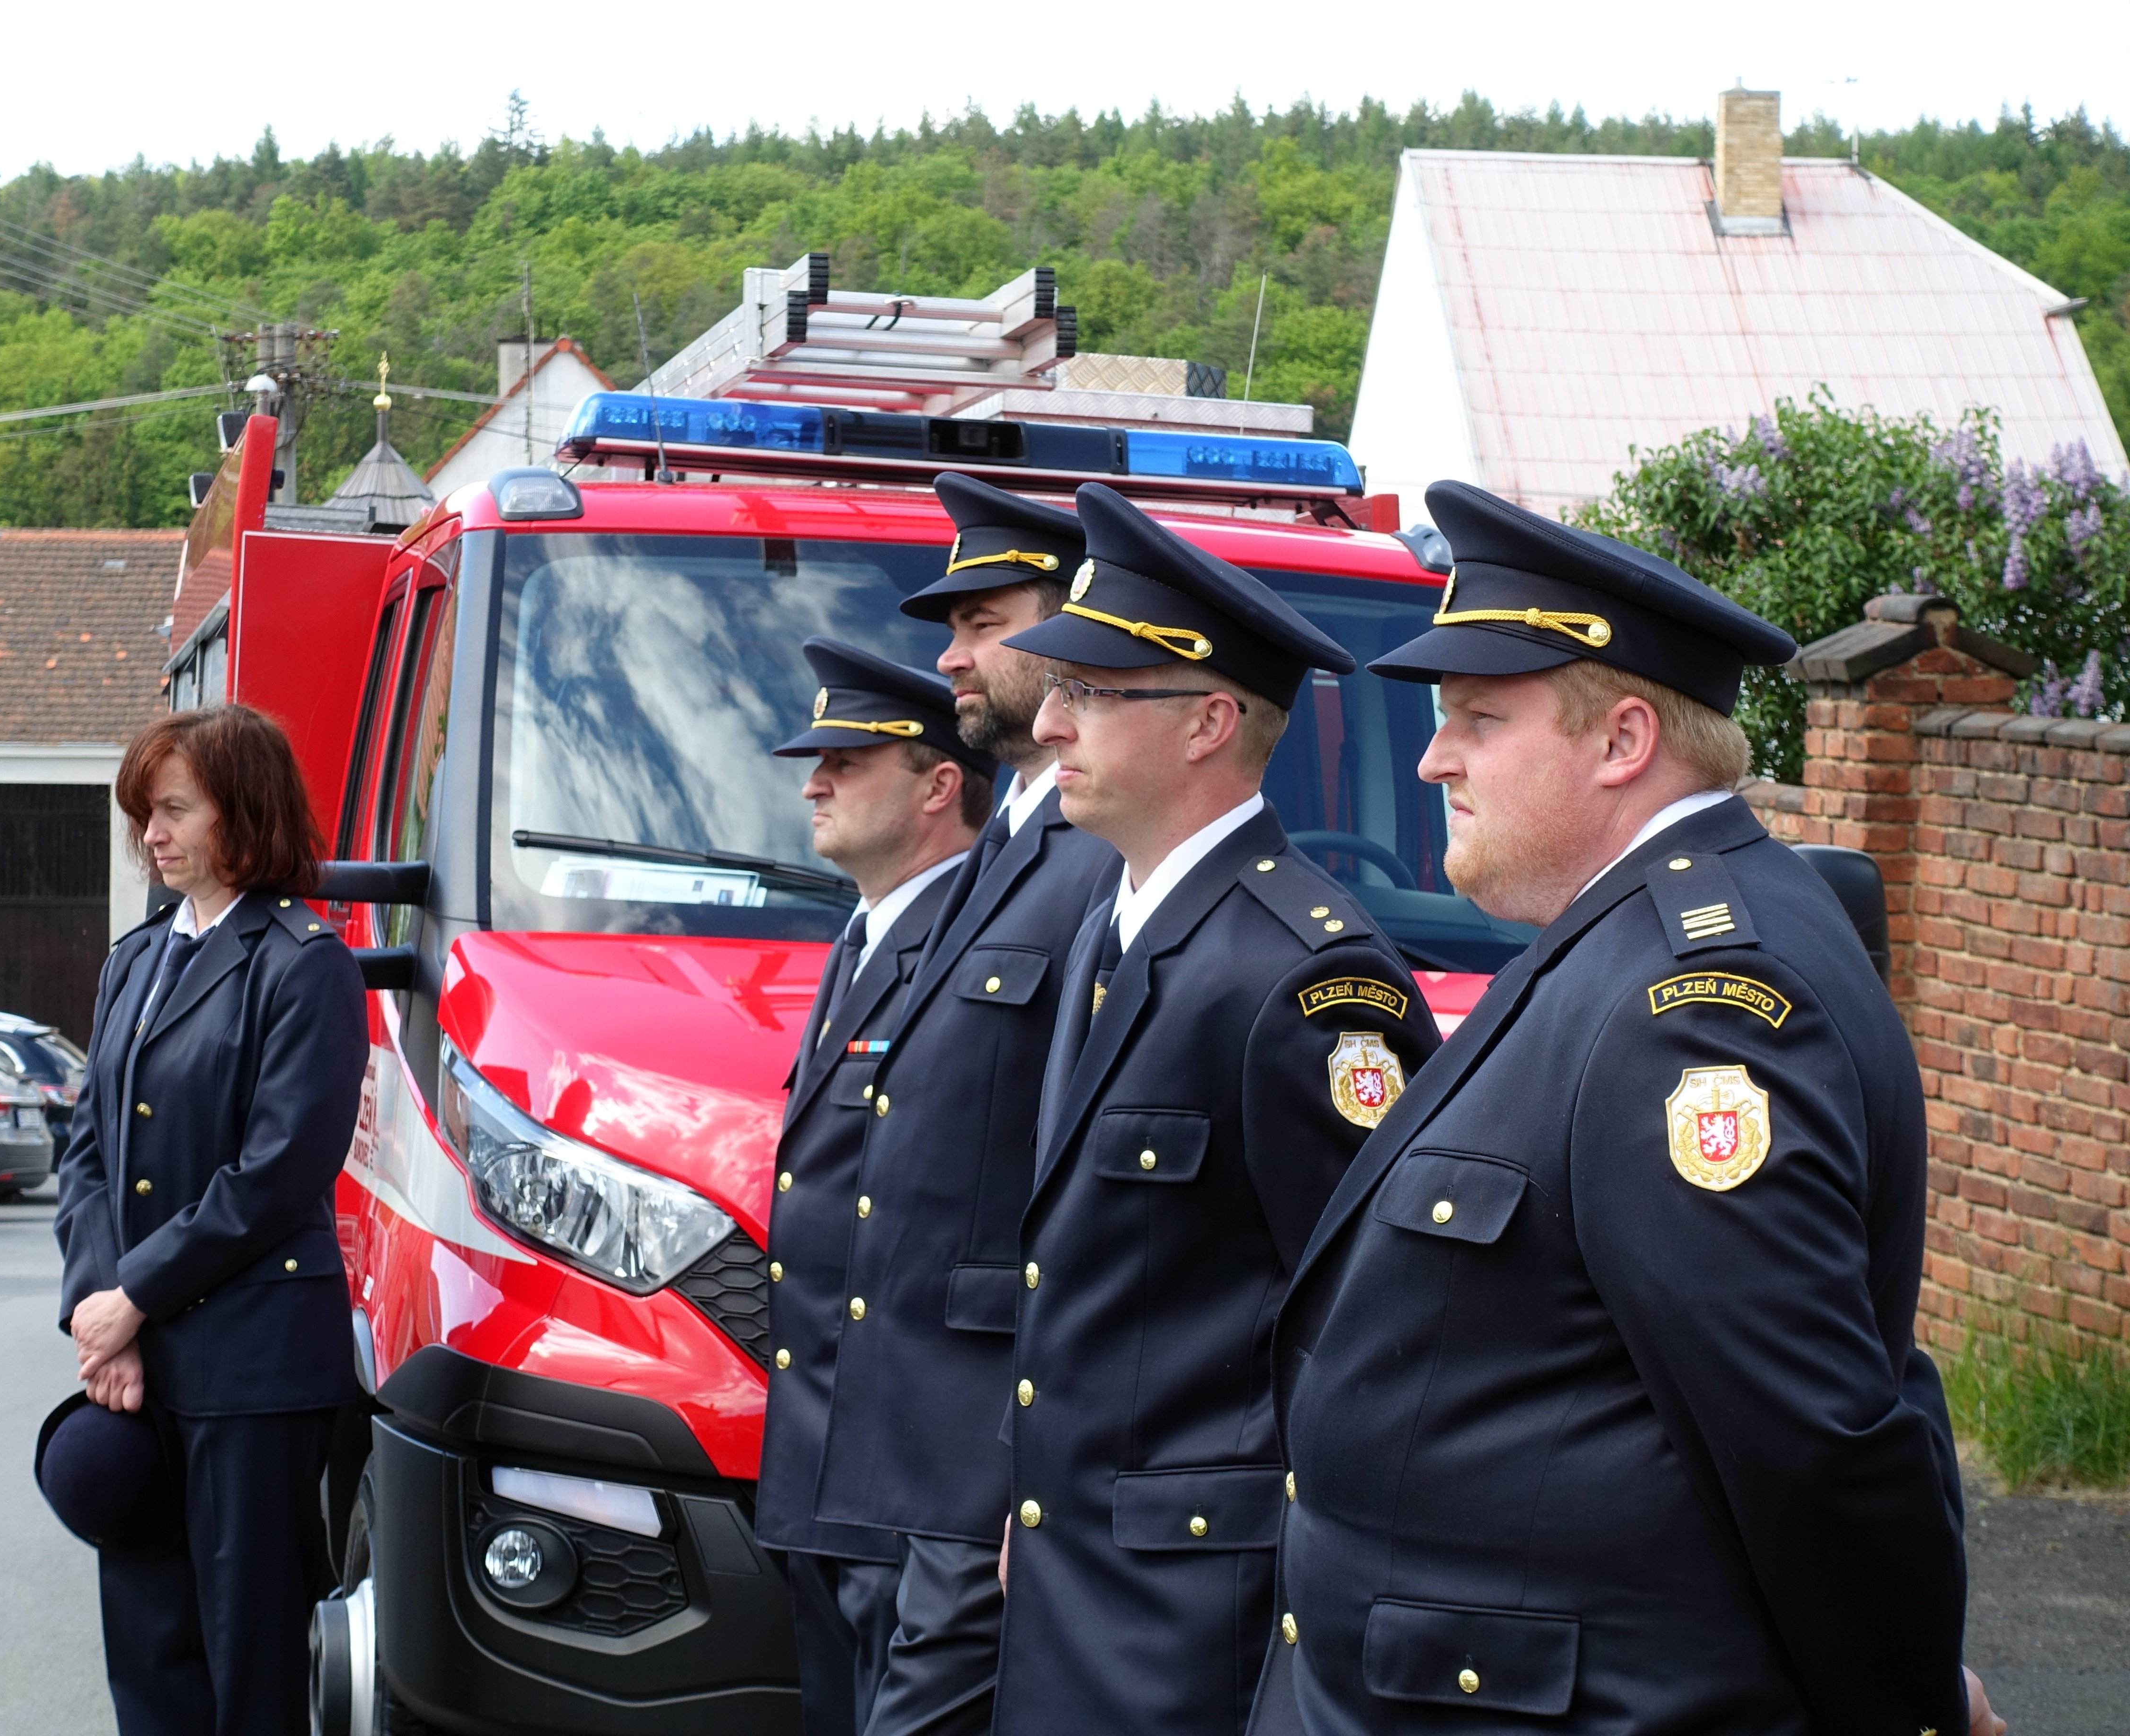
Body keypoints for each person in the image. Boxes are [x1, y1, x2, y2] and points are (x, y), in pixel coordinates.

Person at [1251, 481, 2002, 1736]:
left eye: (1479, 720)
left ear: (1623, 743)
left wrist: (1911, 1704)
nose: (1434, 757)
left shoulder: (1694, 1003)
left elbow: (1813, 1434)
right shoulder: (1615, 939)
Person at [987, 483, 1438, 1736]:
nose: (1055, 723)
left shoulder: (1309, 977)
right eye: (1058, 690)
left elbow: (1374, 1335)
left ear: (1208, 722)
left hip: (1205, 1619)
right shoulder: (1112, 924)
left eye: (1092, 694)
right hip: (1078, 1576)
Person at [808, 475, 1119, 1736]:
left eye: (986, 622)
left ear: (1076, 626)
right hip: (925, 1441)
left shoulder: (1097, 854)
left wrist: (1019, 1468)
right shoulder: (1011, 844)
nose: (950, 657)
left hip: (997, 1443)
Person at [52, 702, 368, 1736]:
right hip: (139, 1361)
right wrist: (100, 1313)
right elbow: (88, 1151)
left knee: (252, 1652)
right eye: (147, 812)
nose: (153, 832)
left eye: (174, 809)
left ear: (245, 813)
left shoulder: (302, 964)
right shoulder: (134, 962)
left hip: (255, 1367)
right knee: (147, 1646)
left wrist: (135, 1298)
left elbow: (277, 1174)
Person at [759, 637, 993, 1736]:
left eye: (847, 760)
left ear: (941, 784)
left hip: (907, 1473)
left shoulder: (969, 945)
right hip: (827, 1465)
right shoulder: (867, 935)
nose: (814, 781)